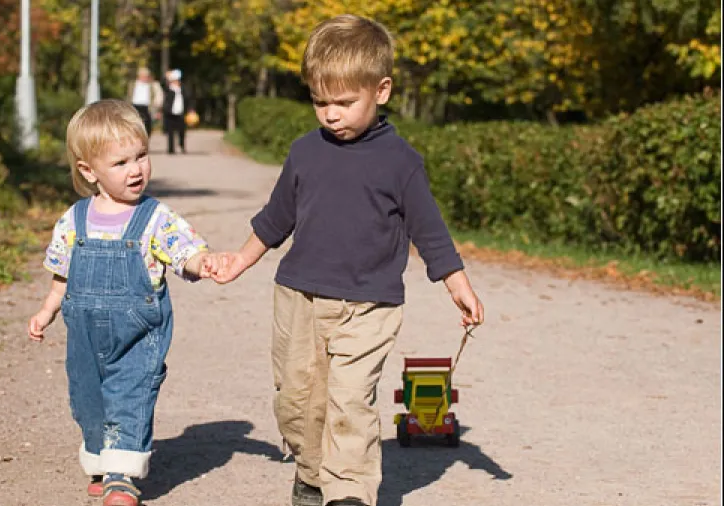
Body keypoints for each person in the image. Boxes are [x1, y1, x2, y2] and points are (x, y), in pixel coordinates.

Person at [206, 14, 485, 506]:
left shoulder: (401, 161)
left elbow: (430, 231)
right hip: (298, 298)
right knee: (297, 403)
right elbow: (275, 220)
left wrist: (456, 283)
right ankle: (312, 476)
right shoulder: (304, 152)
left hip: (369, 305)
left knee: (349, 400)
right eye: (319, 101)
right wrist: (238, 262)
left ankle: (349, 492)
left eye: (343, 102)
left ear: (381, 90)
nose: (330, 114)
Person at [27, 99, 221, 506]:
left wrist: (202, 262)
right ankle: (100, 457)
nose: (136, 170)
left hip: (138, 334)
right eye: (121, 163)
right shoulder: (74, 220)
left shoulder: (155, 217)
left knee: (130, 394)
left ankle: (121, 477)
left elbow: (182, 249)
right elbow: (63, 274)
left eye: (142, 157)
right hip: (83, 333)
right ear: (88, 170)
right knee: (88, 399)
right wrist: (47, 310)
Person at [161, 69, 193, 154]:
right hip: (170, 113)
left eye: (176, 80)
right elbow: (162, 84)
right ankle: (171, 149)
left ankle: (182, 146)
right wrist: (166, 77)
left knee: (182, 131)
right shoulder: (168, 89)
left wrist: (190, 110)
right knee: (170, 132)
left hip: (181, 113)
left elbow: (188, 99)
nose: (175, 82)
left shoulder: (183, 89)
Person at [128, 67, 164, 138]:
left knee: (148, 127)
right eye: (144, 76)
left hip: (146, 107)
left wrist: (157, 109)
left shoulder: (151, 85)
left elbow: (157, 95)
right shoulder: (133, 84)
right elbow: (129, 96)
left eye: (146, 76)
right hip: (135, 106)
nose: (145, 78)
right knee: (135, 126)